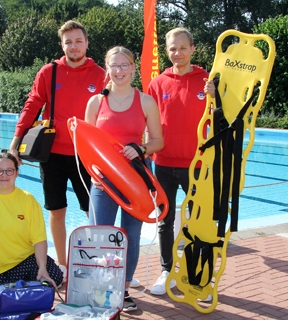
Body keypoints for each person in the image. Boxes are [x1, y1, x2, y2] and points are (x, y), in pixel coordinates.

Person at [8, 20, 106, 272]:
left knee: (92, 211)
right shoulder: (48, 72)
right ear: (62, 45)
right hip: (52, 154)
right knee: (57, 210)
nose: (73, 46)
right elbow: (32, 106)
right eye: (68, 42)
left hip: (86, 155)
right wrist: (15, 142)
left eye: (78, 41)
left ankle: (98, 262)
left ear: (87, 43)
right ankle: (62, 264)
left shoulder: (101, 74)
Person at [85, 46, 164, 311]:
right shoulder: (96, 102)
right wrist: (93, 174)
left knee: (130, 235)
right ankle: (100, 288)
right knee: (100, 235)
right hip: (104, 181)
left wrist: (141, 148)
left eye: (124, 65)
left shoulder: (145, 101)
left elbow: (158, 141)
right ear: (107, 68)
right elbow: (86, 145)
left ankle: (124, 289)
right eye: (113, 65)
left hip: (137, 179)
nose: (118, 71)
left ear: (132, 67)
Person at [147, 27, 215, 295]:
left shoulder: (207, 80)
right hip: (163, 163)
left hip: (195, 164)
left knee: (198, 221)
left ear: (193, 49)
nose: (178, 53)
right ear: (167, 51)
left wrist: (217, 94)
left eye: (183, 47)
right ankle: (167, 271)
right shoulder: (157, 83)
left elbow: (224, 116)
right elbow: (146, 123)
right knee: (164, 219)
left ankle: (198, 273)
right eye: (173, 48)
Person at [0, 150, 64, 290]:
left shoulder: (27, 199)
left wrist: (42, 267)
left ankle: (26, 286)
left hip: (24, 261)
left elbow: (39, 239)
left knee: (54, 276)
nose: (4, 175)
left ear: (17, 173)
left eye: (9, 171)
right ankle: (23, 288)